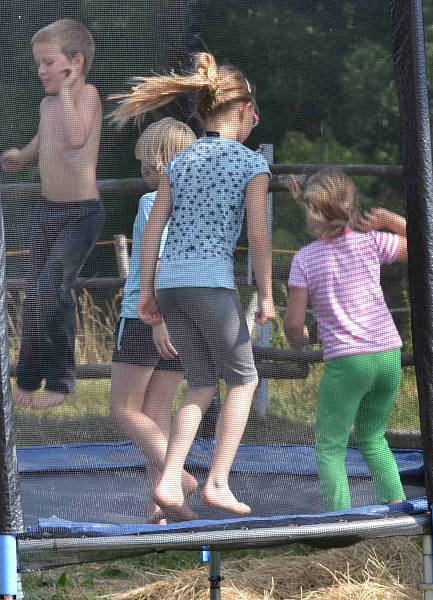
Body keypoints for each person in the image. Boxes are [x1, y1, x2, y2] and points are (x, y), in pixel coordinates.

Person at [109, 52, 275, 520]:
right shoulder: (250, 165)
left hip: (171, 290)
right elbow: (259, 236)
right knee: (244, 379)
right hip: (210, 285)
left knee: (201, 384)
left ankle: (168, 478)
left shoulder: (179, 164)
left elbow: (154, 228)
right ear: (245, 113)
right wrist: (265, 294)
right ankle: (217, 481)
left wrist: (148, 297)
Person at [283, 170, 407, 512]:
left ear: (313, 211)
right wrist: (388, 219)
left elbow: (294, 323)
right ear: (351, 208)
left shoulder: (305, 259)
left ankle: (341, 519)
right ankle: (397, 507)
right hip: (388, 355)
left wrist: (300, 340)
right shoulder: (372, 242)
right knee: (373, 437)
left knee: (330, 445)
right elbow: (428, 245)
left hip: (348, 362)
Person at [0, 18, 104, 410]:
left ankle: (60, 379)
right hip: (47, 213)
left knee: (50, 290)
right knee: (38, 296)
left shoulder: (87, 96)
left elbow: (76, 136)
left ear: (74, 63)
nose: (41, 71)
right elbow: (45, 140)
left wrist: (66, 91)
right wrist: (20, 157)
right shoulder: (47, 105)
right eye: (38, 64)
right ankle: (27, 379)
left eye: (48, 63)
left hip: (81, 214)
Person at [109, 117, 197, 524]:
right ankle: (161, 505)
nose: (145, 171)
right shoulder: (196, 207)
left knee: (123, 409)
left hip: (148, 316)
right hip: (186, 317)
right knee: (157, 409)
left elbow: (156, 263)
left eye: (151, 163)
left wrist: (156, 319)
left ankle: (176, 477)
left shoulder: (154, 203)